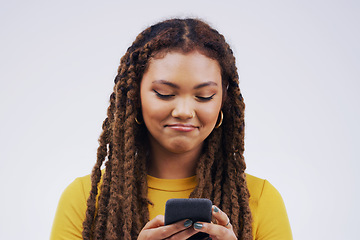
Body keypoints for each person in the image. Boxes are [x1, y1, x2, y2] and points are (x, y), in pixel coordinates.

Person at [50, 18, 292, 240]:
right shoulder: (83, 199)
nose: (184, 111)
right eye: (165, 94)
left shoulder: (261, 199)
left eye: (205, 96)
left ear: (223, 102)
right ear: (135, 97)